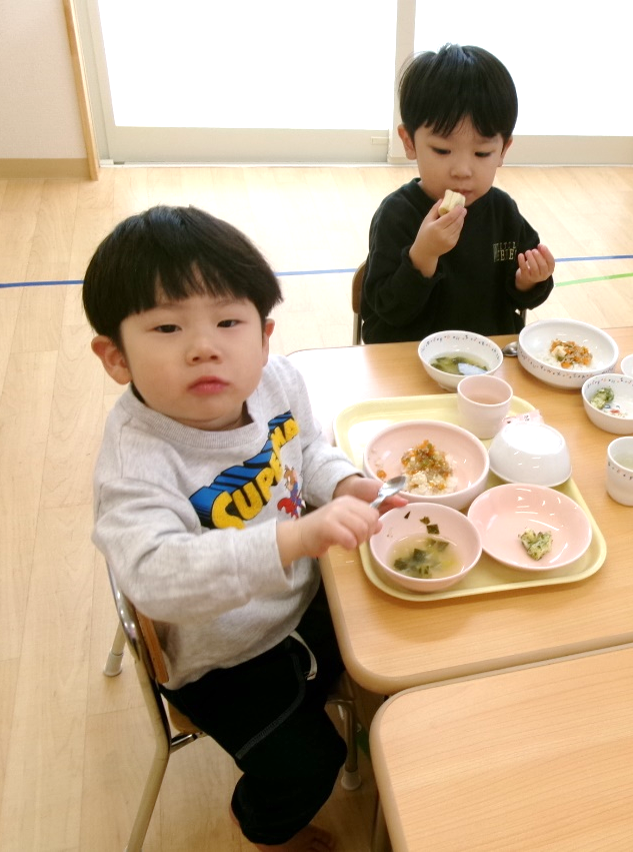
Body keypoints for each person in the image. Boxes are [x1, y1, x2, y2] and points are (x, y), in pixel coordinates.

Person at [83, 205, 405, 852]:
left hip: (301, 597)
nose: (205, 346)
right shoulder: (138, 457)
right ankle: (263, 828)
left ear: (264, 334)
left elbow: (306, 447)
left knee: (395, 652)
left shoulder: (274, 380)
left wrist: (344, 483)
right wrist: (294, 539)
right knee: (305, 765)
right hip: (219, 654)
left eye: (229, 321)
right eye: (168, 327)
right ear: (115, 357)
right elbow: (155, 578)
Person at [360, 43, 555, 343]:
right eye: (442, 150)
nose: (462, 170)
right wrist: (423, 256)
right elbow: (387, 311)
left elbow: (520, 296)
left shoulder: (502, 212)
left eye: (481, 153)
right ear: (409, 142)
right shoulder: (396, 215)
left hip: (488, 361)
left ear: (503, 150)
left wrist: (529, 280)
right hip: (409, 362)